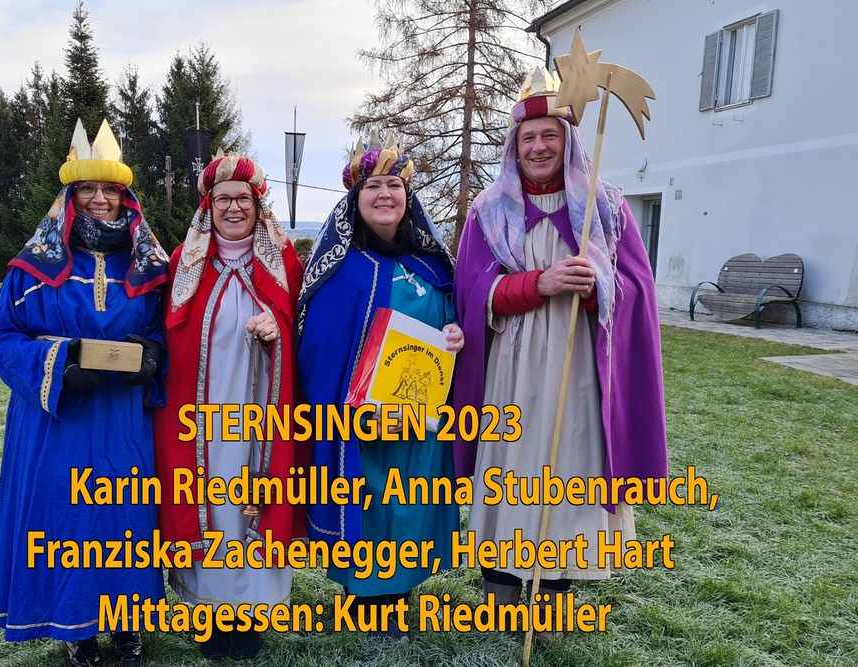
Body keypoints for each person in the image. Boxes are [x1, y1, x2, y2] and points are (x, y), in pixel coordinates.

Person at [452, 66, 669, 633]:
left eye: (550, 134)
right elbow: (470, 292)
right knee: (507, 477)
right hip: (509, 371)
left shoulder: (606, 208)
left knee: (566, 474)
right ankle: (501, 601)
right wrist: (538, 283)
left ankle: (549, 606)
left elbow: (638, 291)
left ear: (568, 139)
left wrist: (598, 285)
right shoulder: (488, 212)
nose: (539, 147)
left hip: (578, 372)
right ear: (514, 146)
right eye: (528, 137)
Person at [0, 119, 169, 667]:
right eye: (87, 188)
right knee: (68, 520)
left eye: (109, 189)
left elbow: (165, 331)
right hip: (57, 420)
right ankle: (76, 630)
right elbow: (0, 337)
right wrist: (59, 364)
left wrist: (152, 355)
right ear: (70, 196)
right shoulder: (32, 269)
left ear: (125, 197)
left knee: (125, 518)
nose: (99, 199)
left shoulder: (150, 268)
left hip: (124, 419)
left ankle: (128, 627)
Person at [297, 133, 463, 641]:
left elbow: (452, 317)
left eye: (395, 185)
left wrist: (455, 331)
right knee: (368, 502)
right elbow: (317, 343)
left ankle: (399, 593)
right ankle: (367, 602)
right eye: (373, 186)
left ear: (408, 197)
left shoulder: (432, 264)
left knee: (409, 503)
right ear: (356, 197)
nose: (384, 194)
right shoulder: (339, 268)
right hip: (359, 420)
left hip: (421, 416)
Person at [153, 151, 305, 661]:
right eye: (223, 199)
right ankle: (209, 612)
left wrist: (277, 327)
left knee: (253, 501)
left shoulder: (284, 262)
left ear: (258, 205)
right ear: (209, 206)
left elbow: (304, 329)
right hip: (199, 417)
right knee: (210, 506)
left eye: (243, 198)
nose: (233, 207)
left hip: (262, 413)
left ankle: (251, 613)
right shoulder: (184, 263)